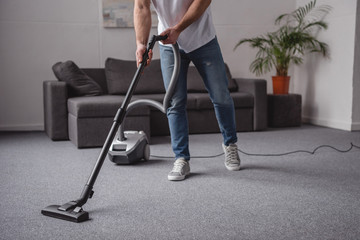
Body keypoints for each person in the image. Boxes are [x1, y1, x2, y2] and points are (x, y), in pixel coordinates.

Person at [134, 0, 240, 181]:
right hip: (168, 43)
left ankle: (230, 144)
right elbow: (142, 6)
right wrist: (141, 44)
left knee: (221, 95)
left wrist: (179, 28)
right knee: (175, 101)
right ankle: (181, 158)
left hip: (203, 39)